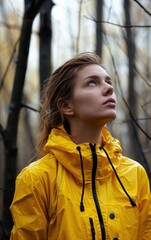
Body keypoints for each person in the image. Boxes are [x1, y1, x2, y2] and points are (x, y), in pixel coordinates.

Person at [10, 52, 151, 240]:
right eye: (92, 82)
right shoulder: (37, 179)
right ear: (67, 106)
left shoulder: (135, 174)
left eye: (109, 82)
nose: (109, 89)